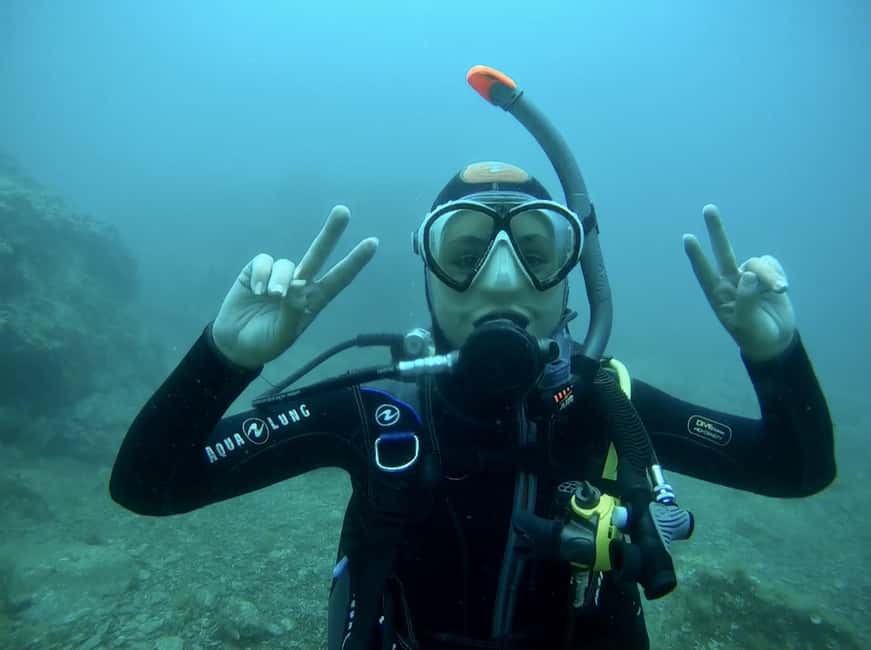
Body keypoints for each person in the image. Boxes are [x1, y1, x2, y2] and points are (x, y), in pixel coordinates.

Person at [110, 160, 835, 650]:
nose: (499, 280)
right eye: (462, 255)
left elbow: (792, 467)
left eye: (534, 251)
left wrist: (773, 355)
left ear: (568, 276)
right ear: (426, 276)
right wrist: (226, 355)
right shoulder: (376, 409)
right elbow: (152, 484)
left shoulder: (605, 404)